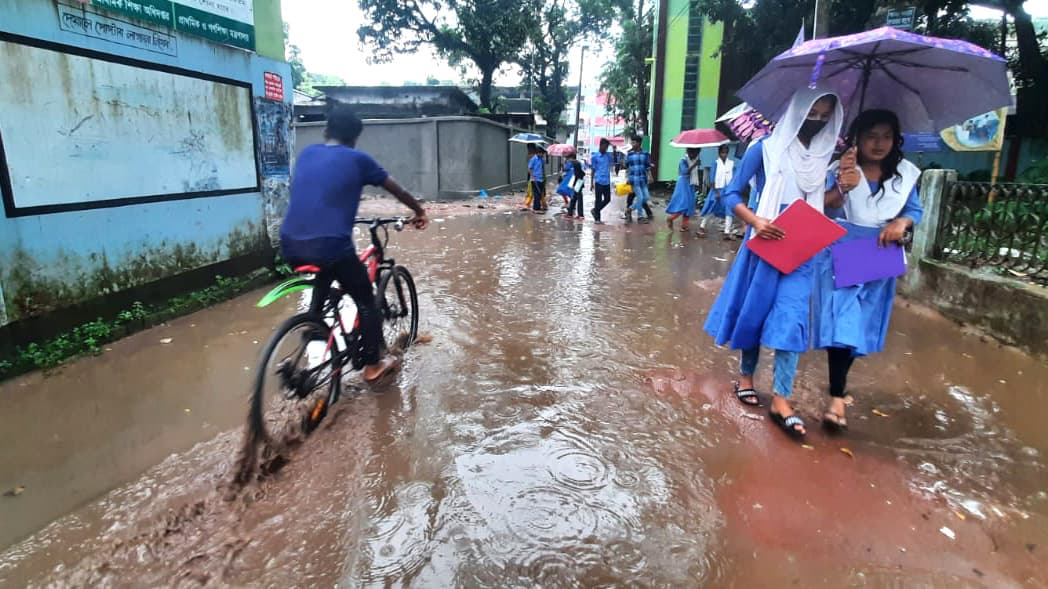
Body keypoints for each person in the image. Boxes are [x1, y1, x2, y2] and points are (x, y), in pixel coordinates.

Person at [702, 86, 844, 439]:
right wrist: (755, 221)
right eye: (813, 113)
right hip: (764, 241)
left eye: (826, 116)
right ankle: (746, 377)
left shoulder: (825, 158)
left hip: (805, 246)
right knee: (755, 311)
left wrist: (844, 188)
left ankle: (782, 400)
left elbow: (825, 204)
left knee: (792, 319)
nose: (818, 121)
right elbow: (732, 192)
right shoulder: (764, 149)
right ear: (797, 111)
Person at [280, 103, 429, 383]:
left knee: (328, 269)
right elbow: (398, 190)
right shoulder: (359, 160)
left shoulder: (307, 154)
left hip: (290, 244)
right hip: (332, 246)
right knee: (366, 299)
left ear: (326, 130)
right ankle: (372, 366)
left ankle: (312, 324)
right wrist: (419, 211)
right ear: (354, 138)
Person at [813, 109, 924, 431]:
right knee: (843, 324)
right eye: (871, 136)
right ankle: (836, 398)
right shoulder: (839, 168)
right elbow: (823, 206)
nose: (879, 143)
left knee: (860, 327)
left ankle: (839, 383)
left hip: (881, 253)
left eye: (886, 136)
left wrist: (901, 222)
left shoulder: (906, 174)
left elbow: (913, 209)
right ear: (857, 139)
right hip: (845, 249)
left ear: (896, 139)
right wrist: (843, 186)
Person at [697, 144, 737, 239]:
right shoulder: (716, 163)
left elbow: (734, 177)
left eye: (726, 153)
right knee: (710, 208)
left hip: (727, 190)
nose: (724, 155)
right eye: (722, 153)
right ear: (719, 153)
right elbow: (712, 178)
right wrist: (715, 192)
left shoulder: (731, 164)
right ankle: (702, 226)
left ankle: (726, 232)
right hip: (716, 189)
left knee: (729, 209)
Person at [666, 147, 702, 231]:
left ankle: (684, 225)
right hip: (683, 184)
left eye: (696, 154)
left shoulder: (695, 160)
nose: (694, 155)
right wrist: (694, 165)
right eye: (692, 153)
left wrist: (696, 164)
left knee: (690, 204)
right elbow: (684, 171)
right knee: (684, 203)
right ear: (688, 152)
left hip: (691, 183)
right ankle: (671, 218)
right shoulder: (683, 160)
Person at [625, 136, 654, 224]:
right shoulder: (630, 154)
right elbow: (626, 166)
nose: (632, 144)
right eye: (632, 143)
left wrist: (650, 176)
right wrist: (627, 178)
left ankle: (630, 209)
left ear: (639, 143)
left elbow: (648, 166)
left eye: (634, 143)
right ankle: (640, 217)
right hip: (634, 179)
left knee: (646, 197)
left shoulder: (645, 154)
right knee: (640, 197)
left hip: (643, 179)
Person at [589, 138, 615, 224]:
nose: (606, 148)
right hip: (598, 180)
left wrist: (614, 151)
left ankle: (595, 210)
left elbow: (614, 162)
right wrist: (591, 183)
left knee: (607, 199)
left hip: (606, 181)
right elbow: (593, 170)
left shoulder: (608, 156)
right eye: (605, 146)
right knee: (598, 199)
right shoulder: (595, 157)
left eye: (607, 147)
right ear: (601, 145)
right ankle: (597, 219)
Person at [567, 153, 587, 220]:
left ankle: (580, 215)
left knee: (578, 198)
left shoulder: (575, 163)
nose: (568, 160)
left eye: (569, 158)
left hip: (578, 182)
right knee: (574, 198)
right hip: (579, 182)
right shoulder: (576, 163)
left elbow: (577, 174)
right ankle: (570, 213)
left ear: (571, 157)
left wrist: (573, 184)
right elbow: (581, 173)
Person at [528, 143, 546, 213]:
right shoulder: (533, 159)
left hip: (541, 179)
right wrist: (532, 177)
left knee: (540, 193)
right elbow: (529, 168)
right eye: (541, 153)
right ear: (538, 152)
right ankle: (536, 208)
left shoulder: (541, 159)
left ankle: (539, 206)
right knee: (536, 194)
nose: (542, 155)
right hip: (535, 179)